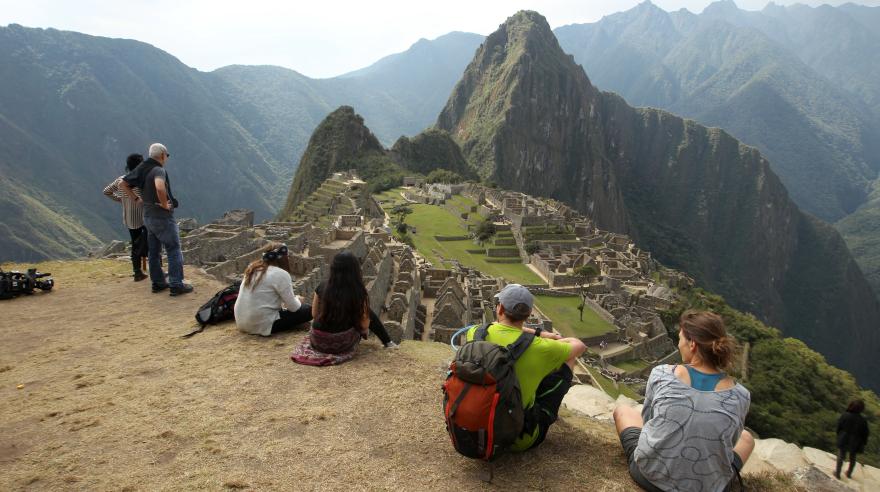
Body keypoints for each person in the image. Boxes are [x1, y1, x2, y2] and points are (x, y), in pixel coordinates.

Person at [613, 310, 754, 492]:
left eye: (680, 339)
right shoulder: (741, 395)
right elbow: (730, 443)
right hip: (707, 488)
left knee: (623, 410)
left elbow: (648, 422)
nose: (679, 344)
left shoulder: (663, 374)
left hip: (649, 476)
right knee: (747, 439)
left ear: (692, 344)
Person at [465, 283, 586, 451]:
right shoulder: (540, 347)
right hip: (516, 439)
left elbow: (495, 325)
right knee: (568, 359)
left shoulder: (476, 332)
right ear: (528, 314)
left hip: (471, 429)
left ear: (499, 309)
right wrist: (543, 334)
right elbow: (579, 346)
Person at [120, 143, 192, 296]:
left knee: (153, 252)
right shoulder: (158, 170)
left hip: (148, 217)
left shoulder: (142, 168)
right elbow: (160, 187)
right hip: (162, 218)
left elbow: (123, 183)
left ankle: (158, 283)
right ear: (162, 155)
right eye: (167, 155)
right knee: (173, 250)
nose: (166, 158)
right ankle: (176, 284)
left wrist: (135, 199)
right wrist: (165, 205)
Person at [310, 252, 398, 350]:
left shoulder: (322, 286)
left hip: (317, 341)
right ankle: (388, 342)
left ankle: (388, 341)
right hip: (341, 343)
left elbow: (314, 314)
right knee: (368, 313)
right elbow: (364, 326)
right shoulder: (358, 291)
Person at [233, 243, 312, 336]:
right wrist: (298, 299)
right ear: (283, 258)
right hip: (261, 325)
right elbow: (294, 307)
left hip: (241, 322)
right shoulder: (281, 274)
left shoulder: (252, 269)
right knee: (308, 310)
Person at [103, 153, 149, 281]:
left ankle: (137, 271)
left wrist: (121, 199)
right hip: (141, 217)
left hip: (128, 217)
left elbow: (106, 191)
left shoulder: (120, 180)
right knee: (144, 243)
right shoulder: (139, 181)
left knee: (136, 244)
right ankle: (143, 270)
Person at [835, 399, 870, 480]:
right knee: (852, 457)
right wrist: (864, 442)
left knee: (841, 455)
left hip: (844, 437)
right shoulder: (863, 420)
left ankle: (837, 473)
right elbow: (865, 433)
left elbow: (839, 426)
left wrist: (838, 434)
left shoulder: (845, 415)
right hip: (856, 441)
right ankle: (849, 473)